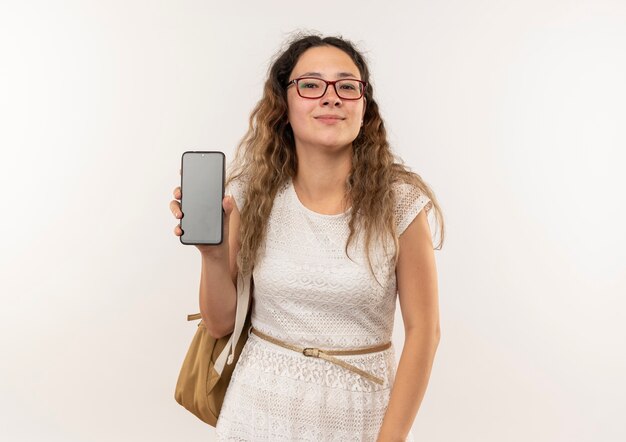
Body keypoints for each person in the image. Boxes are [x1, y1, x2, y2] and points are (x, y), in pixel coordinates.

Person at [169, 33, 444, 442]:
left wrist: (391, 439)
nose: (331, 97)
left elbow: (424, 330)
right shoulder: (252, 192)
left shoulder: (399, 203)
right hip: (255, 413)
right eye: (311, 84)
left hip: (357, 418)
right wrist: (212, 254)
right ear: (284, 104)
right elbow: (220, 321)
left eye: (347, 87)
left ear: (364, 108)